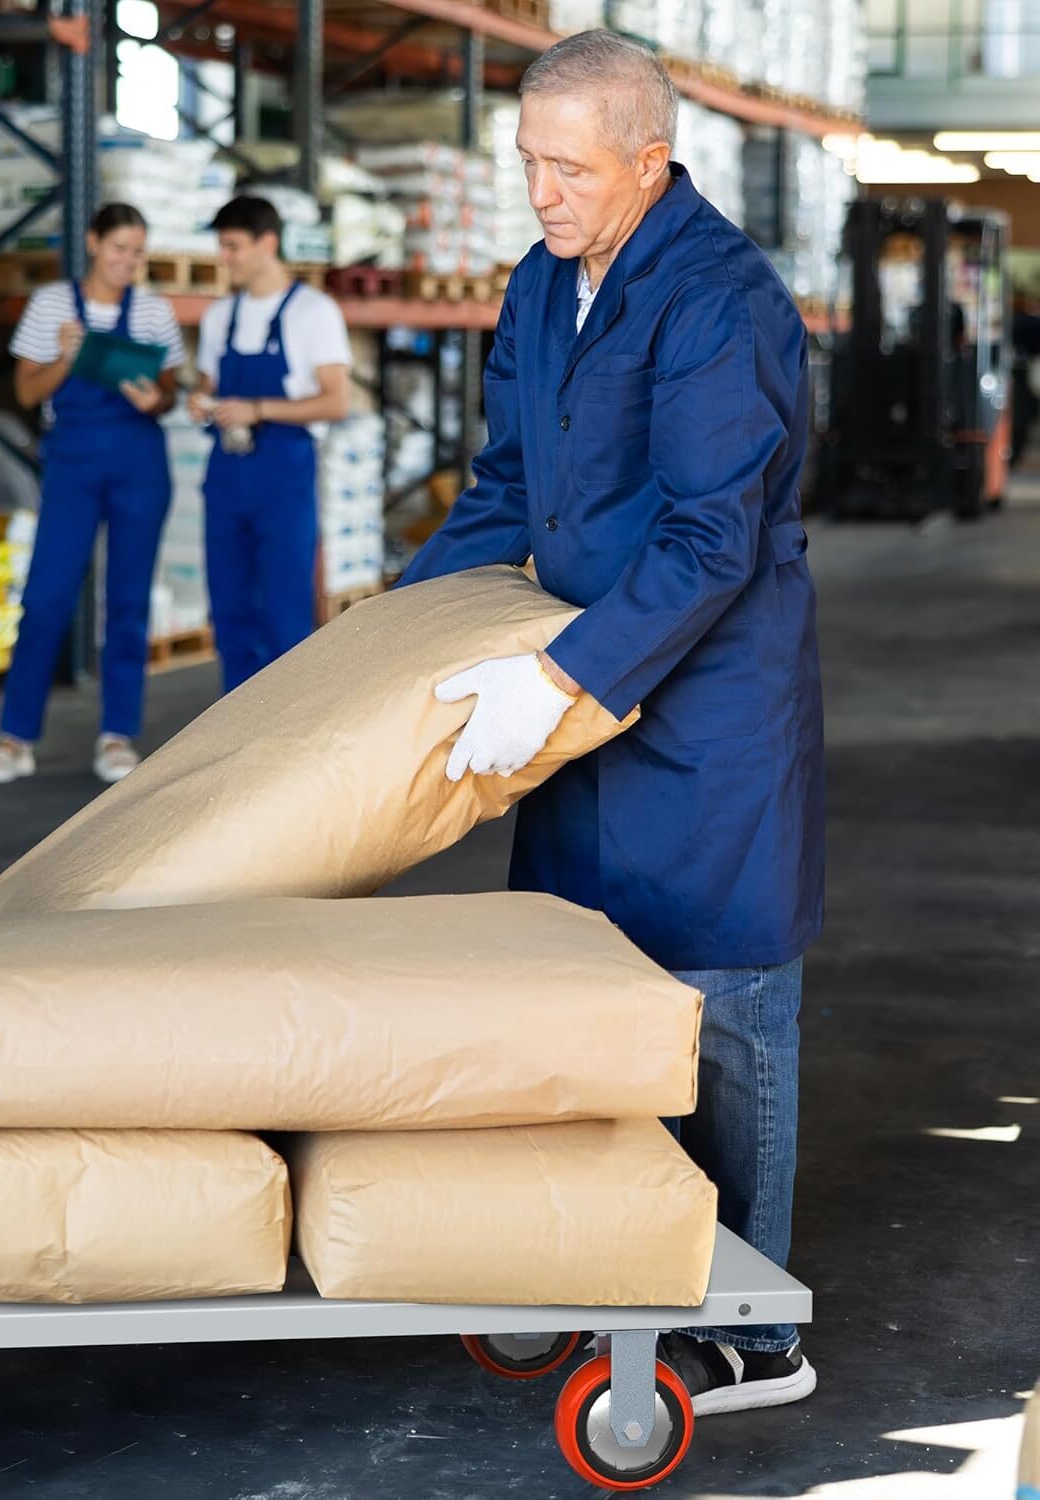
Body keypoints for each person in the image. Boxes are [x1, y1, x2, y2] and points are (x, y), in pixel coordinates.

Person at [401, 31, 824, 1420]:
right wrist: (393, 629)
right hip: (577, 705)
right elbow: (510, 488)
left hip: (701, 706)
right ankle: (604, 1264)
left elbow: (713, 536)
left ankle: (752, 1328)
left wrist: (567, 670)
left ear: (652, 161)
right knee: (582, 987)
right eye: (526, 164)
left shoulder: (719, 301)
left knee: (722, 1005)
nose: (541, 192)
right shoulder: (540, 283)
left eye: (570, 168)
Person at [0, 203, 184, 785]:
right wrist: (65, 360)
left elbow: (169, 389)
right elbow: (24, 389)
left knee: (128, 602)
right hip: (72, 463)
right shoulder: (50, 306)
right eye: (119, 249)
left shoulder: (152, 312)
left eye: (138, 252)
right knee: (45, 596)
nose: (128, 261)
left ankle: (118, 735)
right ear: (93, 243)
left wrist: (157, 400)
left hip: (139, 461)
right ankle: (15, 738)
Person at [188, 196, 353, 693]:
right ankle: (235, 737)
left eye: (234, 246)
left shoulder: (313, 313)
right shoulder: (221, 317)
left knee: (286, 615)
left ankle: (288, 735)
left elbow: (336, 401)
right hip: (227, 475)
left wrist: (258, 409)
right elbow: (208, 385)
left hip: (283, 476)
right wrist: (201, 403)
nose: (226, 258)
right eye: (222, 246)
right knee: (230, 609)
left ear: (268, 243)